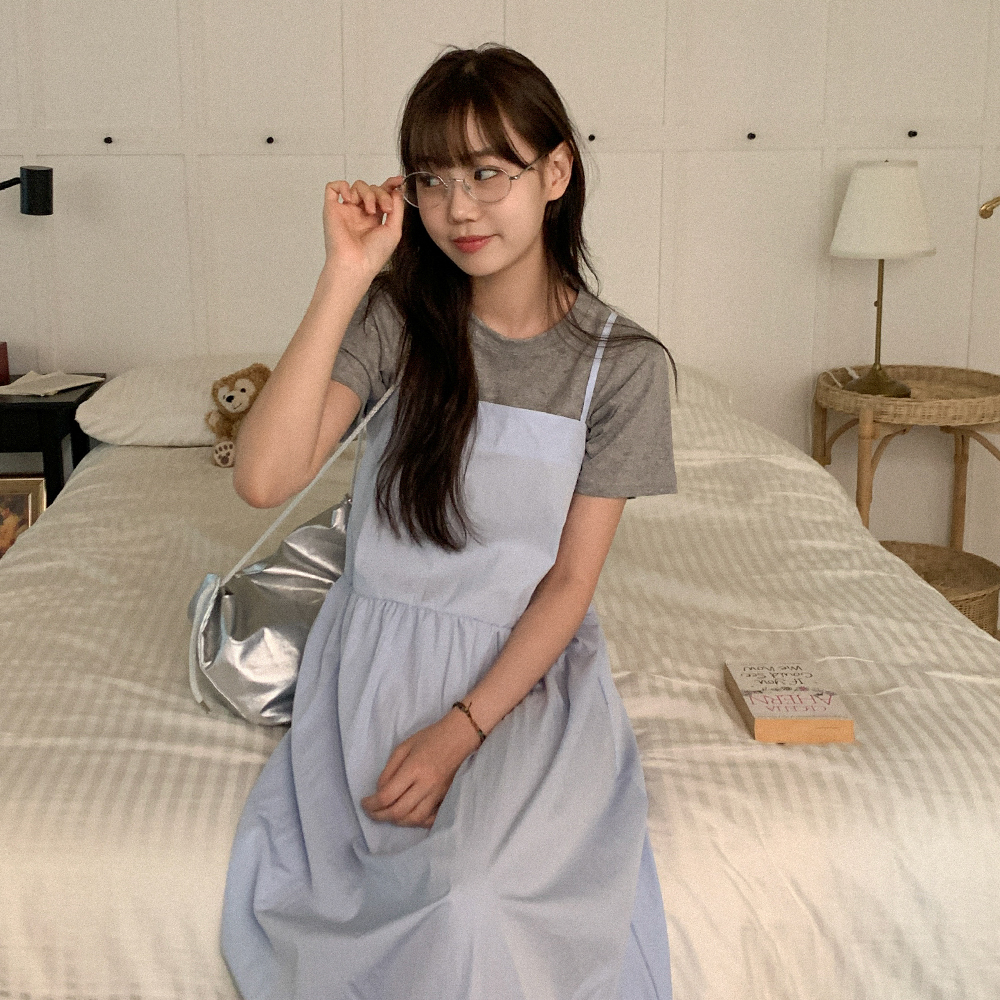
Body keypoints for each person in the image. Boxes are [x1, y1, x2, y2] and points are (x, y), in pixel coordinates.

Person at [222, 43, 676, 1000]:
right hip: (374, 665)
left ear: (556, 173)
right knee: (389, 904)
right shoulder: (399, 322)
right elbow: (263, 479)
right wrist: (347, 272)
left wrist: (460, 731)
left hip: (518, 681)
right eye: (432, 179)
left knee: (474, 900)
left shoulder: (622, 367)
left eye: (488, 173)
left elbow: (568, 584)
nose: (458, 208)